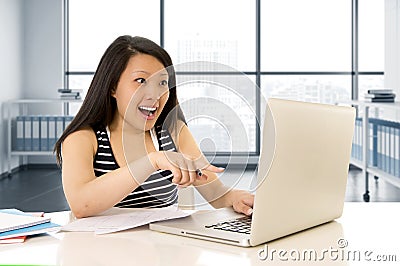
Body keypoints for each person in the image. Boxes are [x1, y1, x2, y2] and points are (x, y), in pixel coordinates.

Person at [55, 35, 254, 218]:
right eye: (140, 81)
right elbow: (81, 205)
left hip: (162, 249)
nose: (154, 94)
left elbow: (214, 193)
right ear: (113, 87)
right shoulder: (83, 138)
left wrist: (236, 197)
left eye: (162, 83)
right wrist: (152, 161)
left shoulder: (173, 131)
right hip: (101, 251)